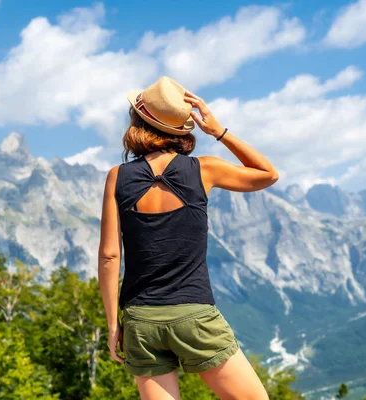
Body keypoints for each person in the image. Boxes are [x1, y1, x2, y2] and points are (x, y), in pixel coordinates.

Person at [98, 76, 278, 400]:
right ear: (180, 129)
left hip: (141, 320)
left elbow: (110, 256)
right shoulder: (204, 170)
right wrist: (218, 131)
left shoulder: (117, 177)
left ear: (139, 121)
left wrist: (114, 326)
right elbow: (268, 174)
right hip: (195, 316)